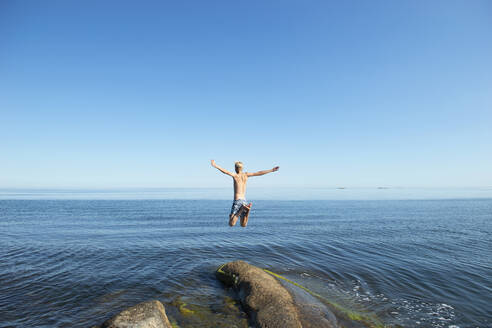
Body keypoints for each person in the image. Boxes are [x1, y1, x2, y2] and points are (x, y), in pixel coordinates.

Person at [211, 160, 279, 227]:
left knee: (231, 223)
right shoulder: (246, 175)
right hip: (244, 201)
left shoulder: (235, 175)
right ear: (242, 168)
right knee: (243, 225)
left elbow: (225, 171)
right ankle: (247, 209)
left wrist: (215, 165)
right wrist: (271, 170)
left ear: (235, 168)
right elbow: (259, 173)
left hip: (237, 201)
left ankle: (241, 209)